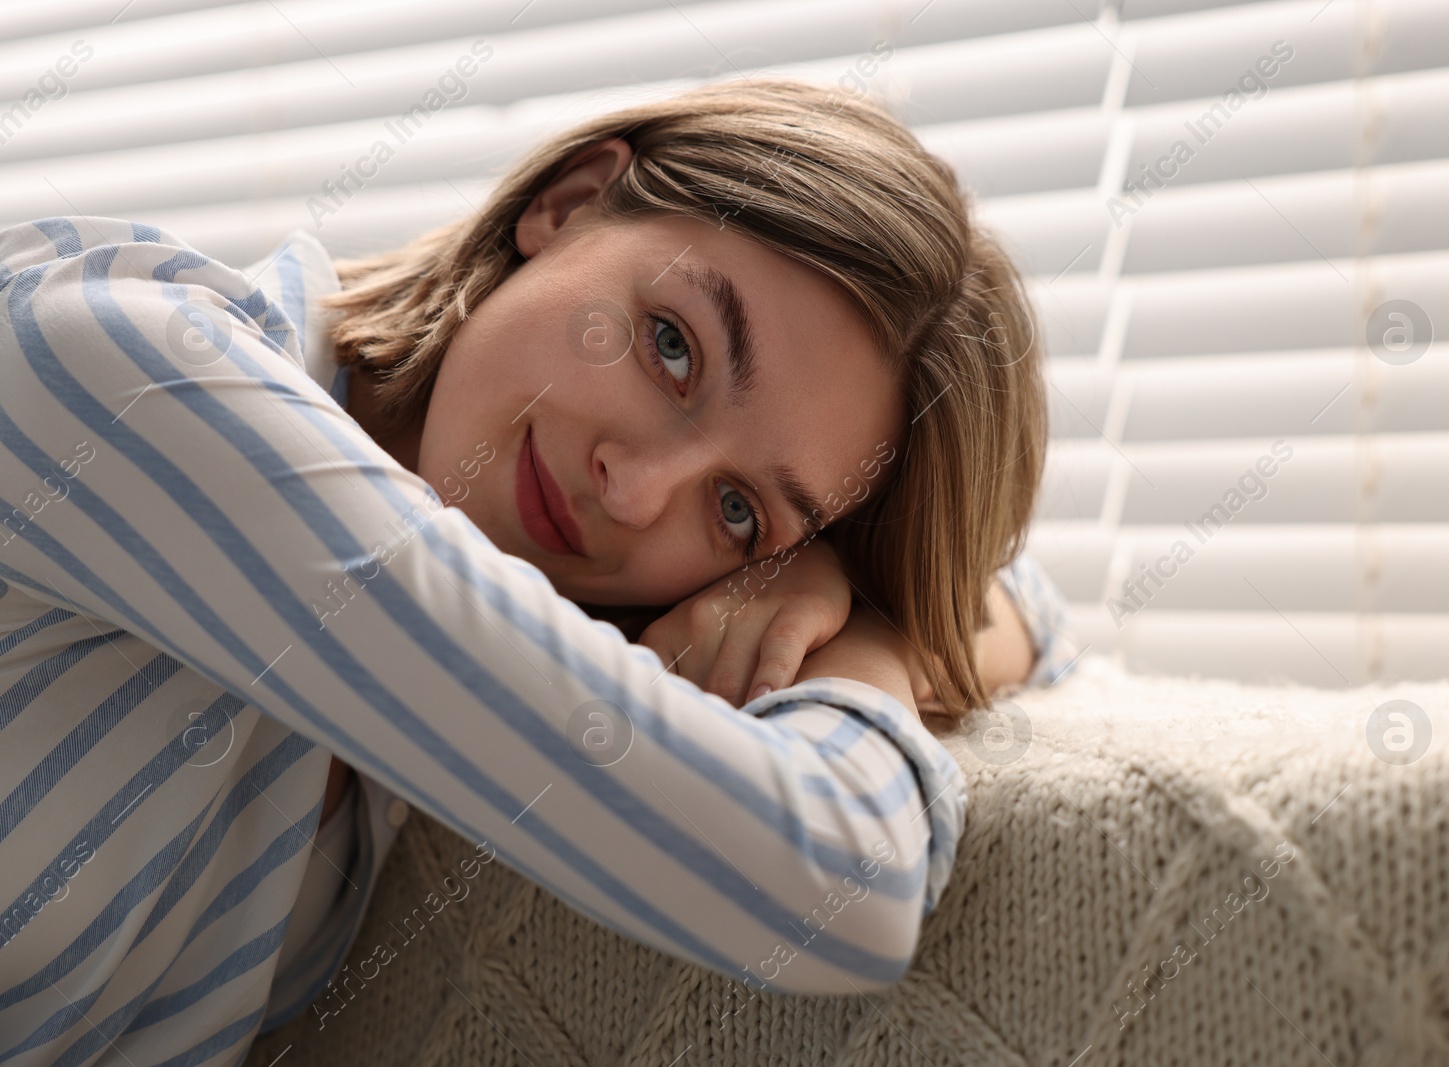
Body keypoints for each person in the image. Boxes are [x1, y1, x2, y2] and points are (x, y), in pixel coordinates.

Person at [0, 78, 1075, 1063]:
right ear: (566, 203)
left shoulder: (496, 595)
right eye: (670, 346)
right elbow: (842, 888)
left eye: (738, 507)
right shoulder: (123, 369)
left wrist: (851, 607)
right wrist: (877, 658)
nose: (638, 490)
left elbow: (1025, 611)